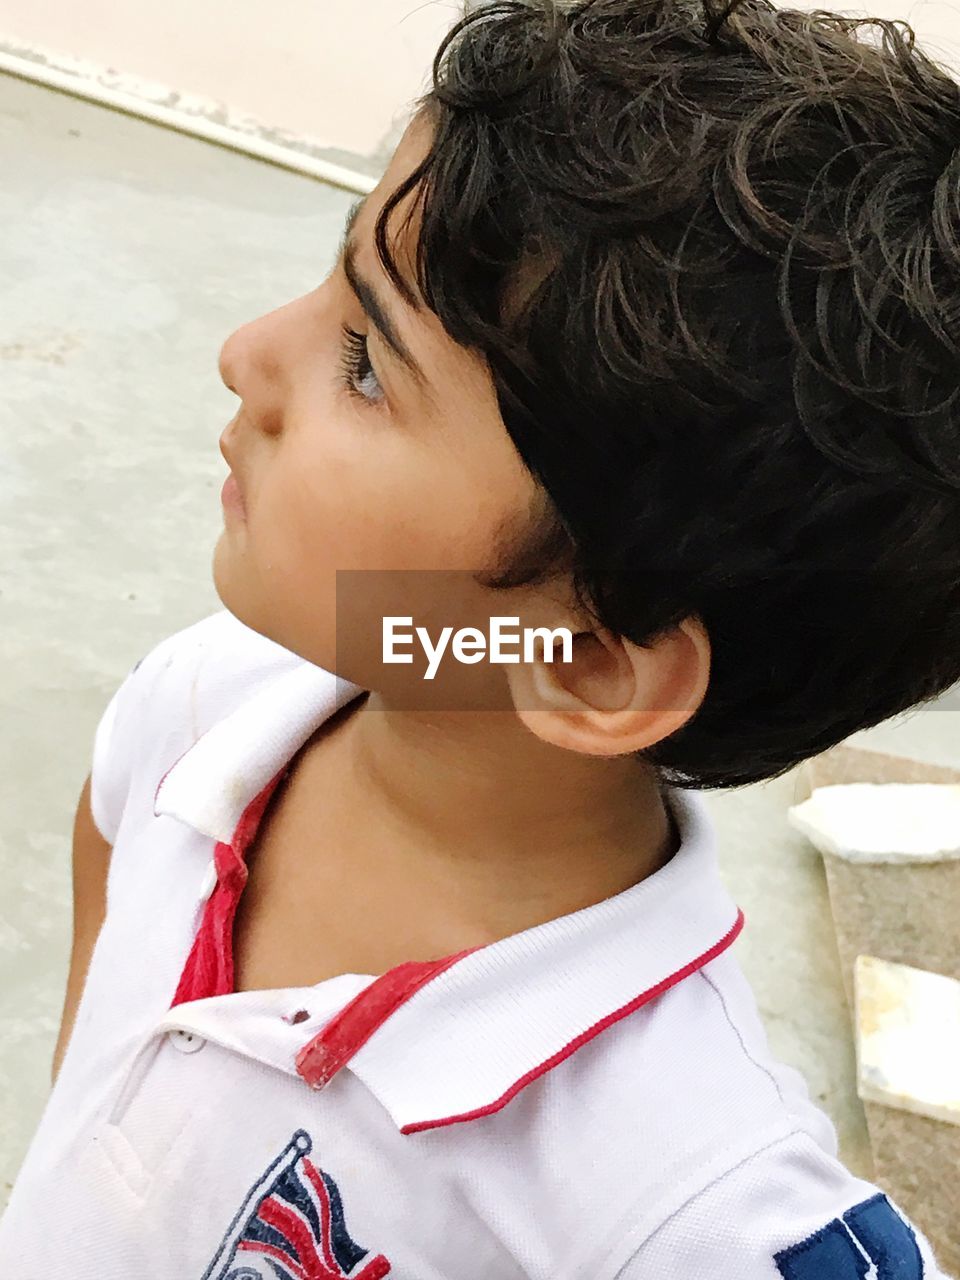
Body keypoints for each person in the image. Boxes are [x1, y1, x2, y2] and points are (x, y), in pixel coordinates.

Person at [2, 0, 958, 1275]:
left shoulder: (685, 1212)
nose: (244, 355)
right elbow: (114, 842)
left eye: (363, 364)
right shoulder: (209, 701)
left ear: (582, 660)